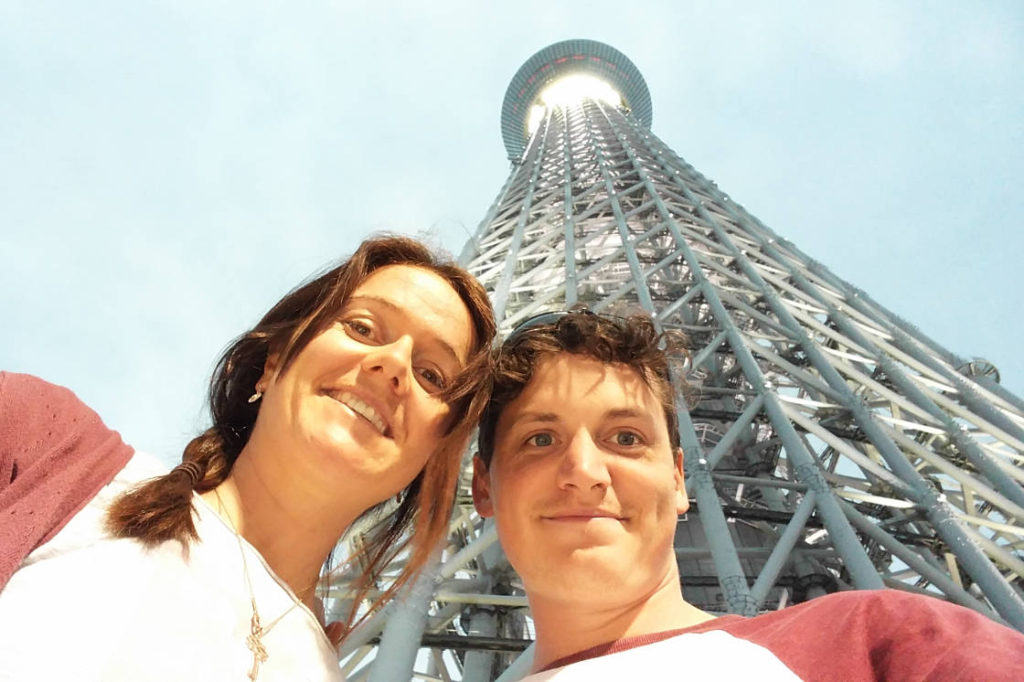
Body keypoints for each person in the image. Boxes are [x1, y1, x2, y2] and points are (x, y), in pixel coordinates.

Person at [0, 235, 496, 681]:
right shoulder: (55, 453)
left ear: (435, 454)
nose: (394, 364)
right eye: (362, 327)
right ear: (273, 362)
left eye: (433, 376)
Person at [472, 309, 1024, 680]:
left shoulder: (872, 640)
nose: (584, 471)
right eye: (539, 439)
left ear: (678, 477)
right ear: (483, 487)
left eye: (626, 437)